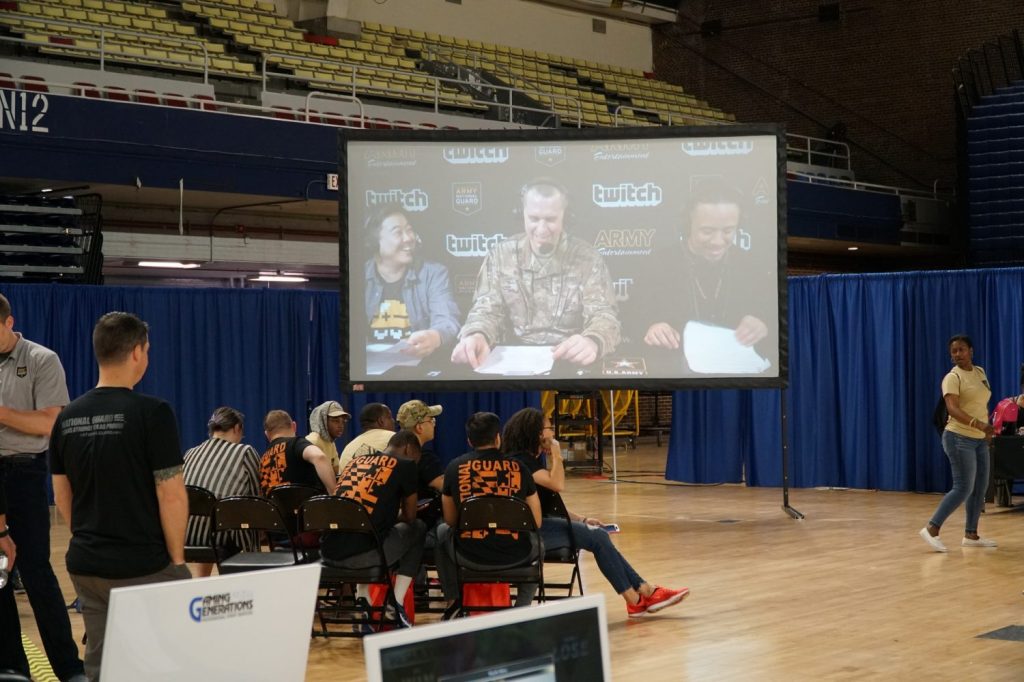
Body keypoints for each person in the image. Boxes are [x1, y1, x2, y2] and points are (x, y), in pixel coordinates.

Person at [50, 311, 191, 680]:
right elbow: (172, 493)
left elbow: (62, 494)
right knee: (161, 666)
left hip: (87, 563)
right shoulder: (153, 413)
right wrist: (176, 561)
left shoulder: (66, 418)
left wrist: (85, 534)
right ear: (137, 353)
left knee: (102, 664)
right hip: (143, 564)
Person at [502, 407, 689, 616]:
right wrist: (557, 454)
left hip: (541, 525)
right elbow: (557, 484)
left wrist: (582, 519)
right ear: (537, 433)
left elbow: (549, 506)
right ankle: (637, 597)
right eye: (549, 428)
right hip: (532, 533)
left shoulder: (524, 459)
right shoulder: (522, 462)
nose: (553, 433)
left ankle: (643, 591)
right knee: (598, 537)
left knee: (597, 534)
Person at [0, 293, 85, 682]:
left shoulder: (40, 359)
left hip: (23, 472)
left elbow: (50, 423)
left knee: (36, 570)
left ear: (9, 323)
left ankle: (68, 668)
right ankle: (11, 665)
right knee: (0, 572)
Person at [451, 179, 620, 369]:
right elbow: (485, 310)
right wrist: (478, 334)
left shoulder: (588, 258)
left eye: (550, 220)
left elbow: (604, 315)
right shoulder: (500, 255)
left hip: (568, 361)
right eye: (533, 219)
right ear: (521, 215)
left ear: (566, 217)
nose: (541, 229)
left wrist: (593, 340)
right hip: (512, 362)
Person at [643, 177, 774, 370]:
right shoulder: (657, 265)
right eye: (707, 231)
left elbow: (774, 316)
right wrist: (652, 327)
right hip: (678, 380)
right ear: (687, 225)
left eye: (728, 231)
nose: (718, 241)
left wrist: (763, 323)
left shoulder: (753, 267)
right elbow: (634, 317)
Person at [322, 429, 426, 629]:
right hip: (364, 557)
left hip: (328, 553)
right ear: (408, 448)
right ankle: (396, 603)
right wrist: (390, 516)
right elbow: (410, 516)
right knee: (418, 528)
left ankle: (363, 600)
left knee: (370, 531)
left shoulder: (356, 462)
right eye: (416, 459)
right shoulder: (405, 466)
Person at [436, 412, 541, 606]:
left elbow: (451, 520)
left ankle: (453, 601)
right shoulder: (520, 468)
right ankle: (522, 609)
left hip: (468, 555)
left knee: (442, 531)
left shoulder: (454, 467)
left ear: (469, 440)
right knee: (538, 542)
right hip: (516, 555)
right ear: (498, 438)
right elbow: (536, 521)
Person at [920, 334, 997, 552]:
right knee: (963, 487)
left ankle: (971, 535)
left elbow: (980, 404)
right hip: (958, 438)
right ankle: (932, 528)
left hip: (980, 439)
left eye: (961, 350)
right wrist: (978, 425)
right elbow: (953, 409)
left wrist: (986, 430)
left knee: (979, 487)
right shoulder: (952, 378)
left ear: (971, 351)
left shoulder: (980, 372)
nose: (957, 355)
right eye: (953, 351)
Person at [364, 203, 461, 357]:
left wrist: (434, 336)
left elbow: (447, 320)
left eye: (409, 230)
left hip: (417, 369)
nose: (409, 238)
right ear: (374, 240)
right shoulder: (359, 277)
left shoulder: (433, 273)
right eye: (398, 233)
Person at [182, 406, 261, 577]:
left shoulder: (190, 453)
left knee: (210, 514)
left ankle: (202, 582)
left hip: (187, 534)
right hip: (223, 536)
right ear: (237, 428)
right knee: (248, 518)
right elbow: (255, 500)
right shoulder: (245, 452)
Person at [259, 409, 338, 495]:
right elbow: (319, 457)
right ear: (294, 426)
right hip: (309, 506)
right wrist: (334, 495)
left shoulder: (263, 460)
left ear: (267, 434)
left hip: (277, 507)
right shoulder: (296, 443)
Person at [337, 402, 395, 473]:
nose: (393, 421)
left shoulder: (348, 447)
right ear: (381, 421)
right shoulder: (394, 437)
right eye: (389, 417)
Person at [305, 400, 351, 475]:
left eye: (343, 421)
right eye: (336, 421)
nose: (341, 426)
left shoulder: (330, 442)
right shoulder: (313, 441)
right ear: (322, 421)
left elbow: (336, 473)